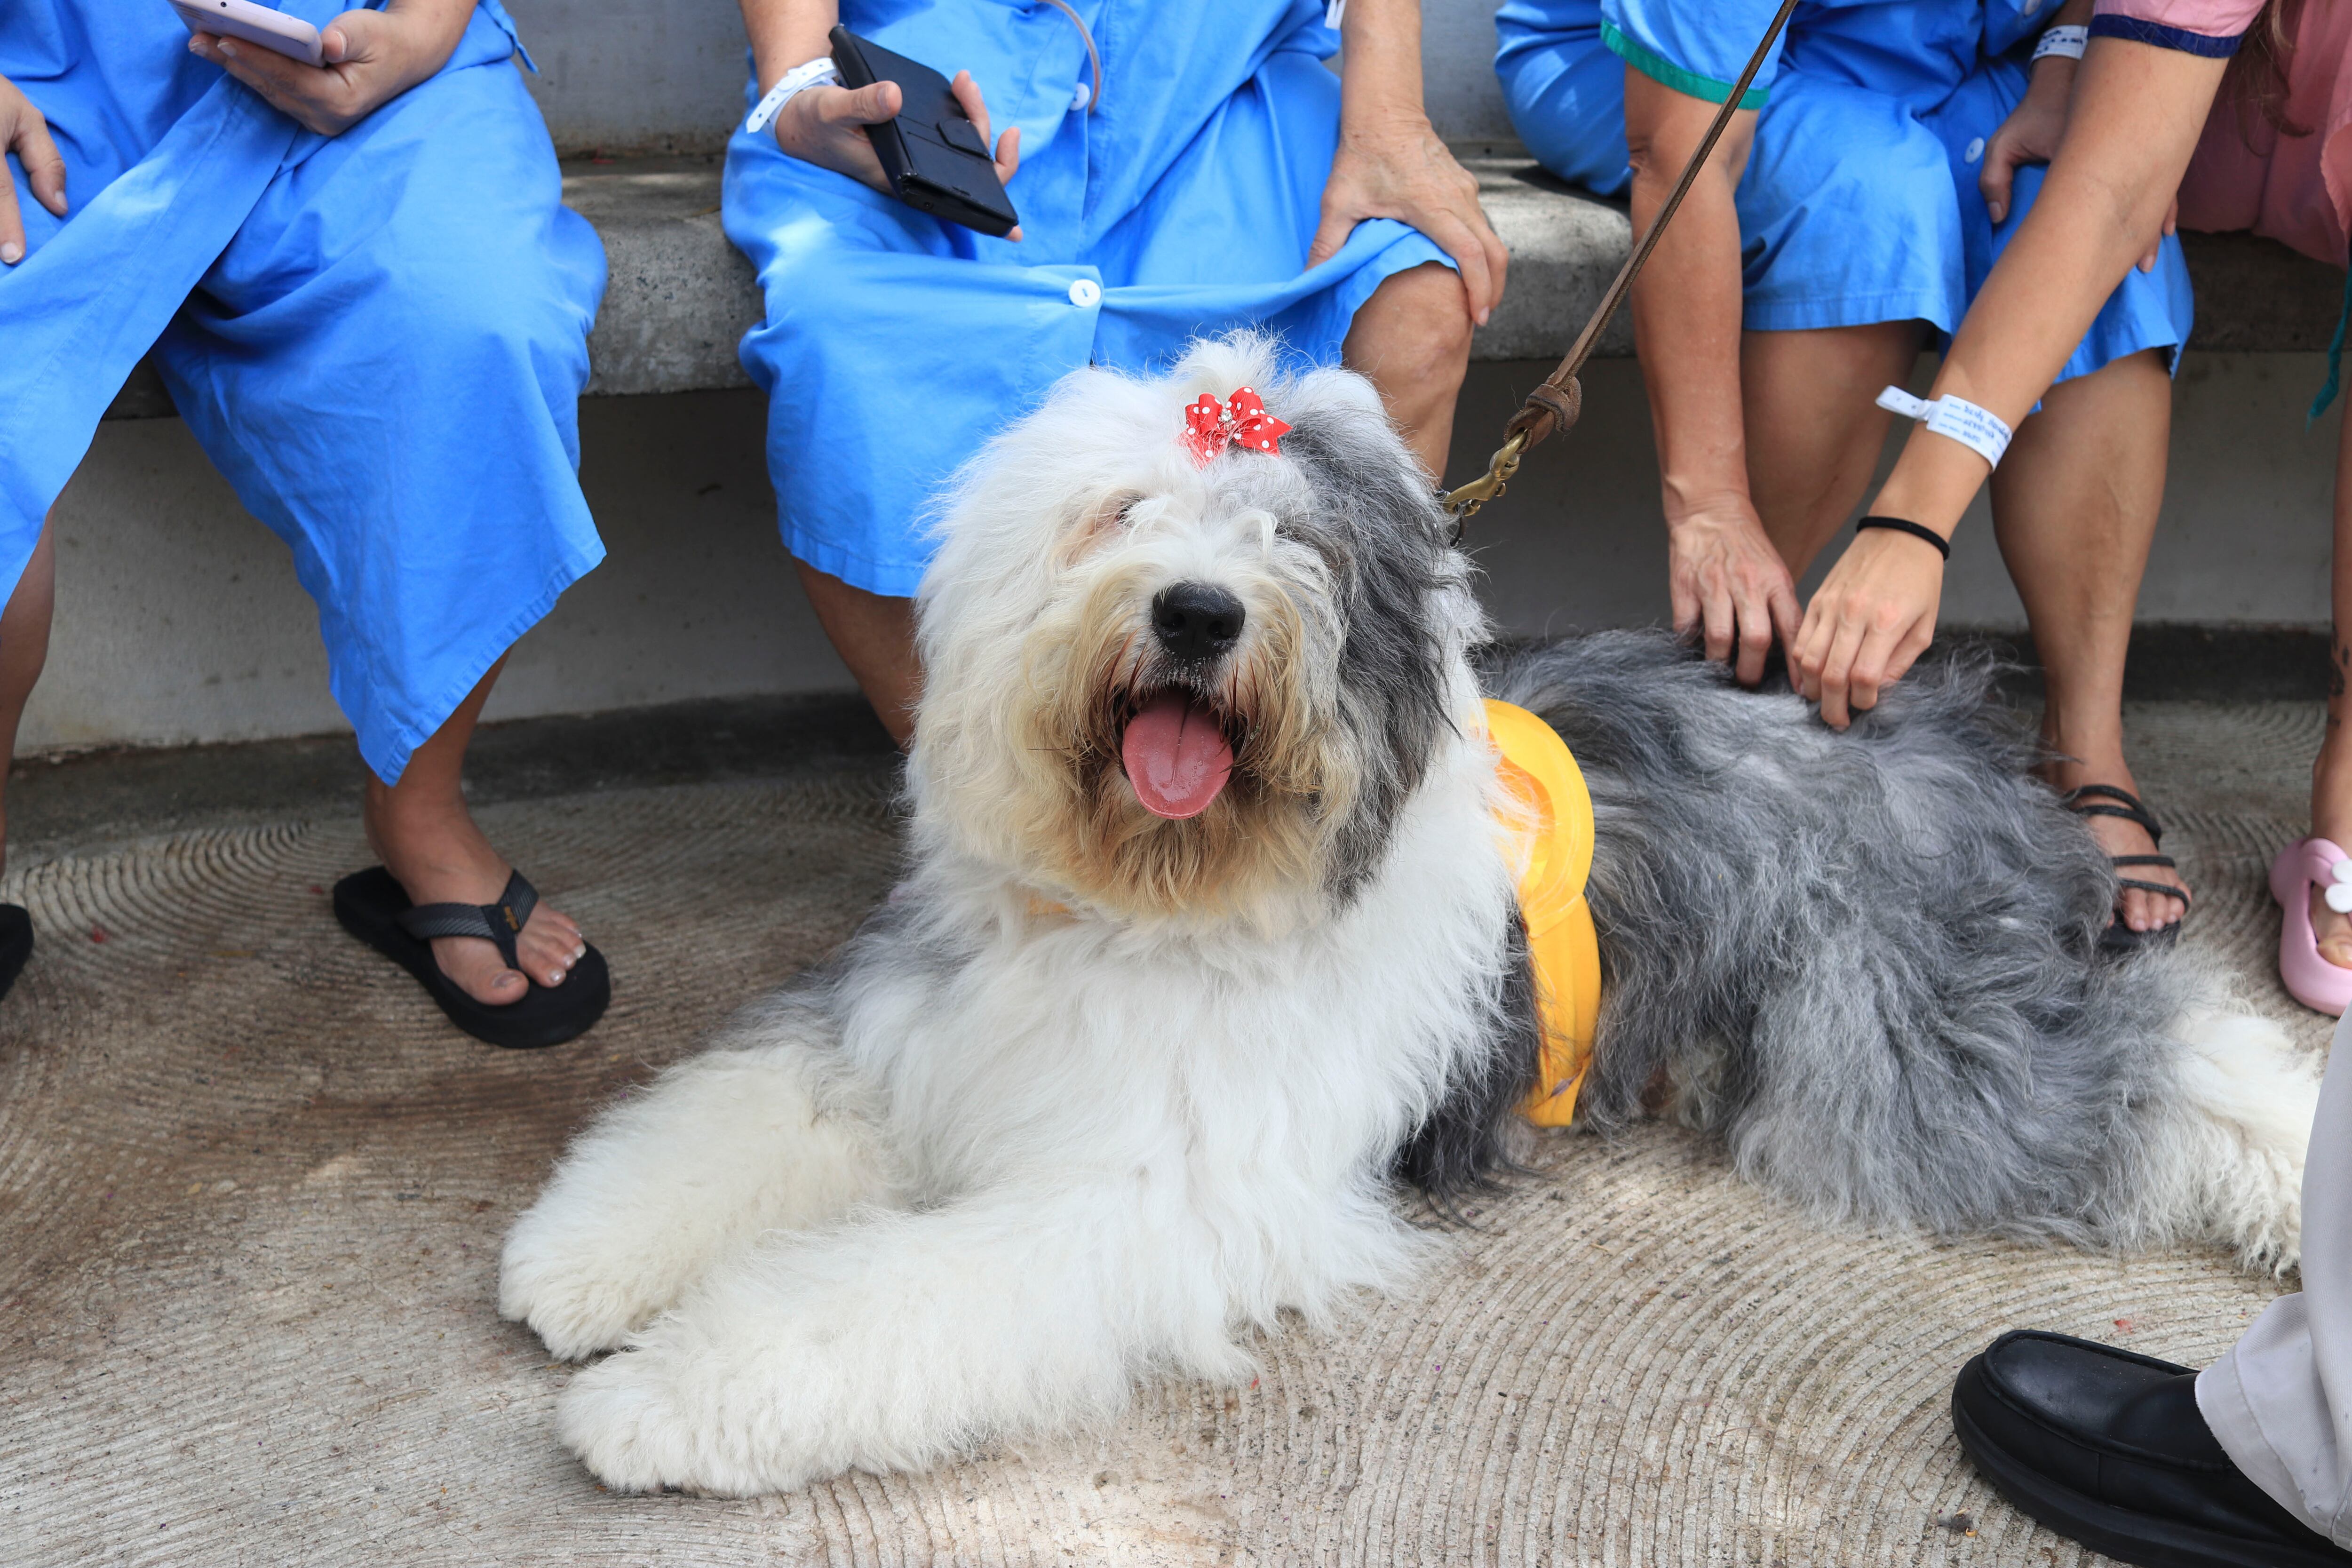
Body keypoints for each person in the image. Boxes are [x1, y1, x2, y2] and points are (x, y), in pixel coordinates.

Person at [1495, 0, 2197, 947]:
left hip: (1958, 66)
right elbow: (1680, 152)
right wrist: (1709, 505)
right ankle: (1733, 696)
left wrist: (2068, 55)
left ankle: (2087, 743)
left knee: (2094, 216)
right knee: (1871, 197)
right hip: (1676, 87)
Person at [0, 0, 611, 1046]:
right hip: (40, 82)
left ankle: (420, 809)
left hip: (362, 52)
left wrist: (419, 32)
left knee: (476, 325)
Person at [726, 0, 1505, 745]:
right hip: (928, 101)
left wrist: (1391, 121)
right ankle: (983, 804)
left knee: (1418, 303)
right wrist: (800, 79)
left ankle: (1322, 770)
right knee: (837, 331)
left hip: (1217, 80)